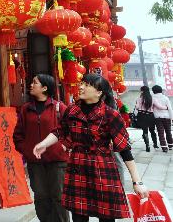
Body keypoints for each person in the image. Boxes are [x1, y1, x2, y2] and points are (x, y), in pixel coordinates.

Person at [33, 73, 148, 222]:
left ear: (99, 92)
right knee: (78, 214)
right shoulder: (72, 110)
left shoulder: (110, 114)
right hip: (77, 166)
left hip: (103, 168)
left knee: (106, 216)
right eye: (82, 83)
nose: (81, 87)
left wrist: (137, 182)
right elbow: (59, 131)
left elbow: (124, 149)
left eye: (87, 85)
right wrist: (43, 144)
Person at [13, 74, 69, 222]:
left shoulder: (59, 107)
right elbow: (18, 135)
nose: (31, 85)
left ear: (44, 88)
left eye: (34, 83)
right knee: (41, 197)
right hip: (35, 163)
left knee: (58, 197)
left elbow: (70, 132)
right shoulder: (26, 109)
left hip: (57, 162)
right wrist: (26, 150)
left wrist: (62, 147)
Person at [134, 86, 159, 151]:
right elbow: (158, 106)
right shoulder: (152, 98)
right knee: (152, 130)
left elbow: (137, 107)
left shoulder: (139, 98)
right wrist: (165, 107)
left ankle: (147, 146)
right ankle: (155, 144)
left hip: (142, 115)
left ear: (142, 91)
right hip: (150, 116)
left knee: (145, 131)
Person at [151, 85, 173, 152]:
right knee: (168, 131)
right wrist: (171, 118)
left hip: (157, 117)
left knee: (160, 132)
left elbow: (151, 108)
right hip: (167, 117)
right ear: (161, 90)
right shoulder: (165, 98)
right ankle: (170, 145)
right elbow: (170, 109)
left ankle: (164, 147)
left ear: (153, 91)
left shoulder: (152, 98)